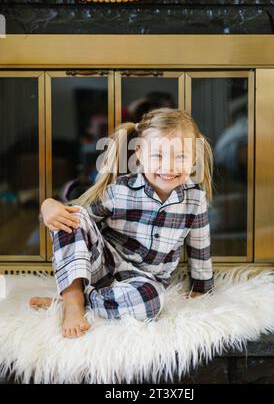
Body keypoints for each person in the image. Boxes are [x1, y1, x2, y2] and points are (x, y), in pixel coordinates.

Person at [30, 108, 214, 339]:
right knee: (73, 216)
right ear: (139, 153)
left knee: (152, 302)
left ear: (194, 157)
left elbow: (200, 247)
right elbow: (79, 220)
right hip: (102, 266)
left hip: (144, 282)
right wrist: (48, 205)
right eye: (158, 156)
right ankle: (73, 300)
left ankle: (84, 300)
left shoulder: (195, 199)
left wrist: (201, 290)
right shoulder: (121, 190)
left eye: (181, 157)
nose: (169, 167)